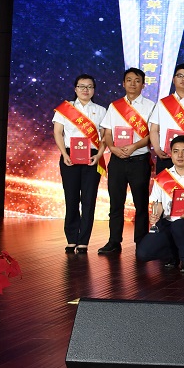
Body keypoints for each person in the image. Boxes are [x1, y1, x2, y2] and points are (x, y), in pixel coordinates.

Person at [136, 136, 184, 272]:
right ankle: (174, 253)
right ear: (171, 154)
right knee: (143, 253)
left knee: (179, 225)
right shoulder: (162, 178)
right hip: (167, 223)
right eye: (176, 151)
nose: (180, 155)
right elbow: (157, 203)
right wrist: (156, 214)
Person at [98, 67, 156, 255]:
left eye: (137, 80)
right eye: (129, 80)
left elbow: (152, 135)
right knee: (116, 203)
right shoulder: (114, 106)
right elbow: (107, 132)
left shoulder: (151, 106)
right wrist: (112, 148)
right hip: (117, 160)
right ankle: (114, 241)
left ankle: (141, 242)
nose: (133, 84)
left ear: (143, 84)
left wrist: (134, 146)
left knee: (141, 204)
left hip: (139, 160)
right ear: (123, 83)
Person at [52, 74, 105, 254]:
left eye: (89, 86)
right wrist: (64, 154)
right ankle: (71, 239)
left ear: (94, 90)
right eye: (82, 86)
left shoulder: (101, 110)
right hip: (69, 156)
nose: (85, 90)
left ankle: (83, 241)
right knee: (71, 198)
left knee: (89, 200)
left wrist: (99, 155)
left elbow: (105, 136)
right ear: (75, 89)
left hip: (92, 157)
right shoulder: (64, 109)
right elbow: (58, 133)